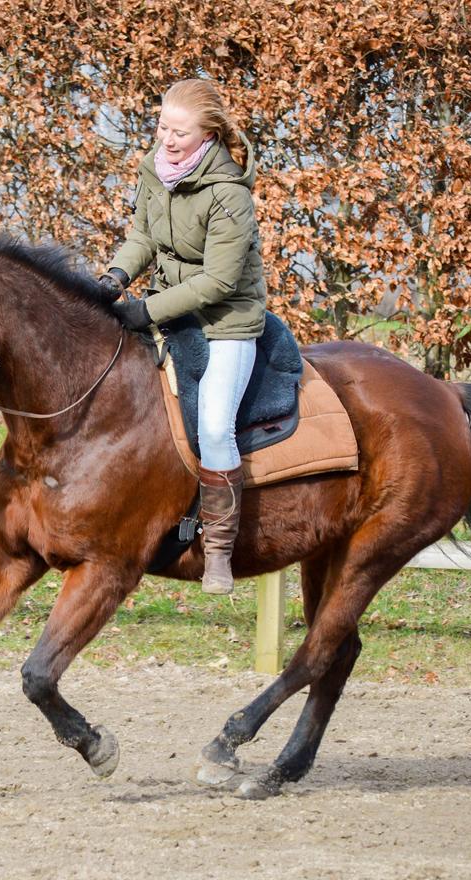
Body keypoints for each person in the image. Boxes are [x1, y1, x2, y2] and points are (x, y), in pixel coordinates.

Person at [99, 79, 267, 595]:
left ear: (208, 134)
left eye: (179, 132)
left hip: (227, 322)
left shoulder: (228, 195)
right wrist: (113, 279)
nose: (166, 140)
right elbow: (144, 237)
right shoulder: (156, 170)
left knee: (216, 427)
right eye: (162, 128)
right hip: (173, 311)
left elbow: (218, 282)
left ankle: (218, 549)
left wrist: (144, 311)